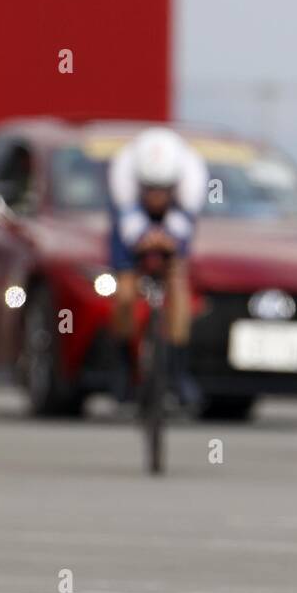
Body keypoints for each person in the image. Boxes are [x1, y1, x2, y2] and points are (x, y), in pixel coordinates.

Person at [107, 127, 207, 406]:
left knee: (178, 281)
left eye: (163, 190)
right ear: (140, 183)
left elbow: (182, 228)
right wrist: (141, 239)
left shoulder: (192, 177)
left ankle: (177, 371)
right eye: (150, 189)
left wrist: (168, 241)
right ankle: (124, 369)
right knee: (125, 291)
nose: (156, 196)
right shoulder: (123, 174)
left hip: (175, 218)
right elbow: (129, 228)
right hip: (131, 216)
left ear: (175, 185)